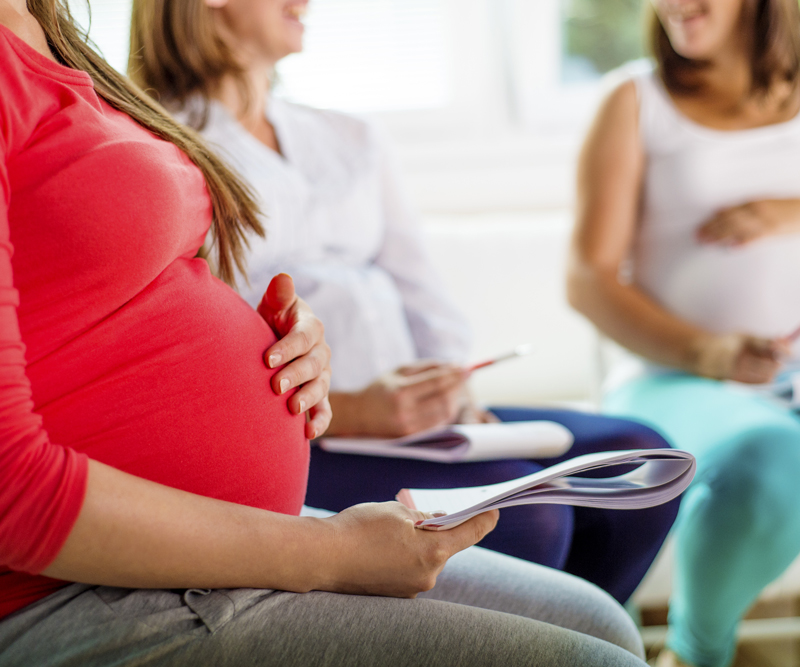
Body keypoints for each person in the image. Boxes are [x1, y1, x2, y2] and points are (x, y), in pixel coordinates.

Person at [0, 0, 652, 663]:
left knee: (605, 622)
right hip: (66, 585)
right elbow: (9, 491)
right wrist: (331, 554)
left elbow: (94, 294)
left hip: (233, 520)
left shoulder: (57, 45)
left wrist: (278, 343)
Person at [568, 0, 800, 665]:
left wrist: (780, 212)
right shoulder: (635, 100)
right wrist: (709, 352)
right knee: (771, 458)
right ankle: (697, 655)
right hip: (672, 380)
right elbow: (588, 278)